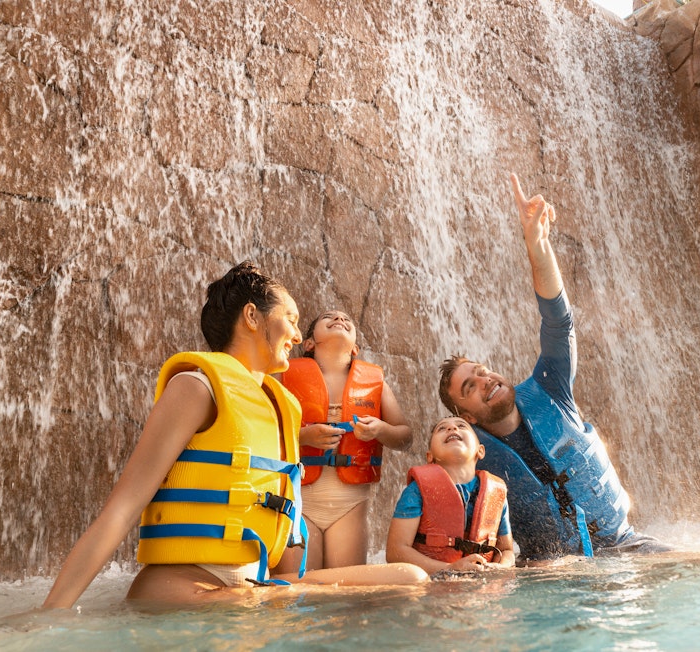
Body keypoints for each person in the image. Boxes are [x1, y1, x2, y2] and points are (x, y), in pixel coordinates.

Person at [42, 262, 427, 609]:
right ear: (251, 317)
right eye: (290, 319)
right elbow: (121, 510)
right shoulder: (196, 387)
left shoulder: (282, 407)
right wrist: (48, 617)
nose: (296, 334)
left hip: (251, 588)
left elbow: (283, 527)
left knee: (408, 579)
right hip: (188, 591)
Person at [437, 174, 674, 561]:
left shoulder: (551, 388)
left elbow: (558, 322)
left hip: (627, 546)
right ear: (467, 416)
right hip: (551, 573)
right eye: (469, 387)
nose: (484, 380)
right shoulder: (473, 457)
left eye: (481, 371)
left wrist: (538, 245)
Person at [273, 309, 412, 573]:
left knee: (345, 597)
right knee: (297, 592)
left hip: (350, 507)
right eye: (329, 317)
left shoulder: (375, 383)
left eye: (346, 319)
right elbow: (261, 425)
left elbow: (405, 437)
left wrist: (381, 429)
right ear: (309, 343)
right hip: (298, 502)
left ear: (356, 348)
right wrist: (301, 435)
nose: (339, 319)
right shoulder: (285, 374)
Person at [385, 416, 515, 574]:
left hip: (483, 584)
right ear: (429, 456)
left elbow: (507, 550)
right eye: (442, 428)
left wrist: (502, 567)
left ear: (480, 451)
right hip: (433, 582)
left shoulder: (496, 492)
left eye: (461, 426)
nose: (452, 429)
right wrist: (449, 568)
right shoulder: (416, 491)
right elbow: (395, 552)